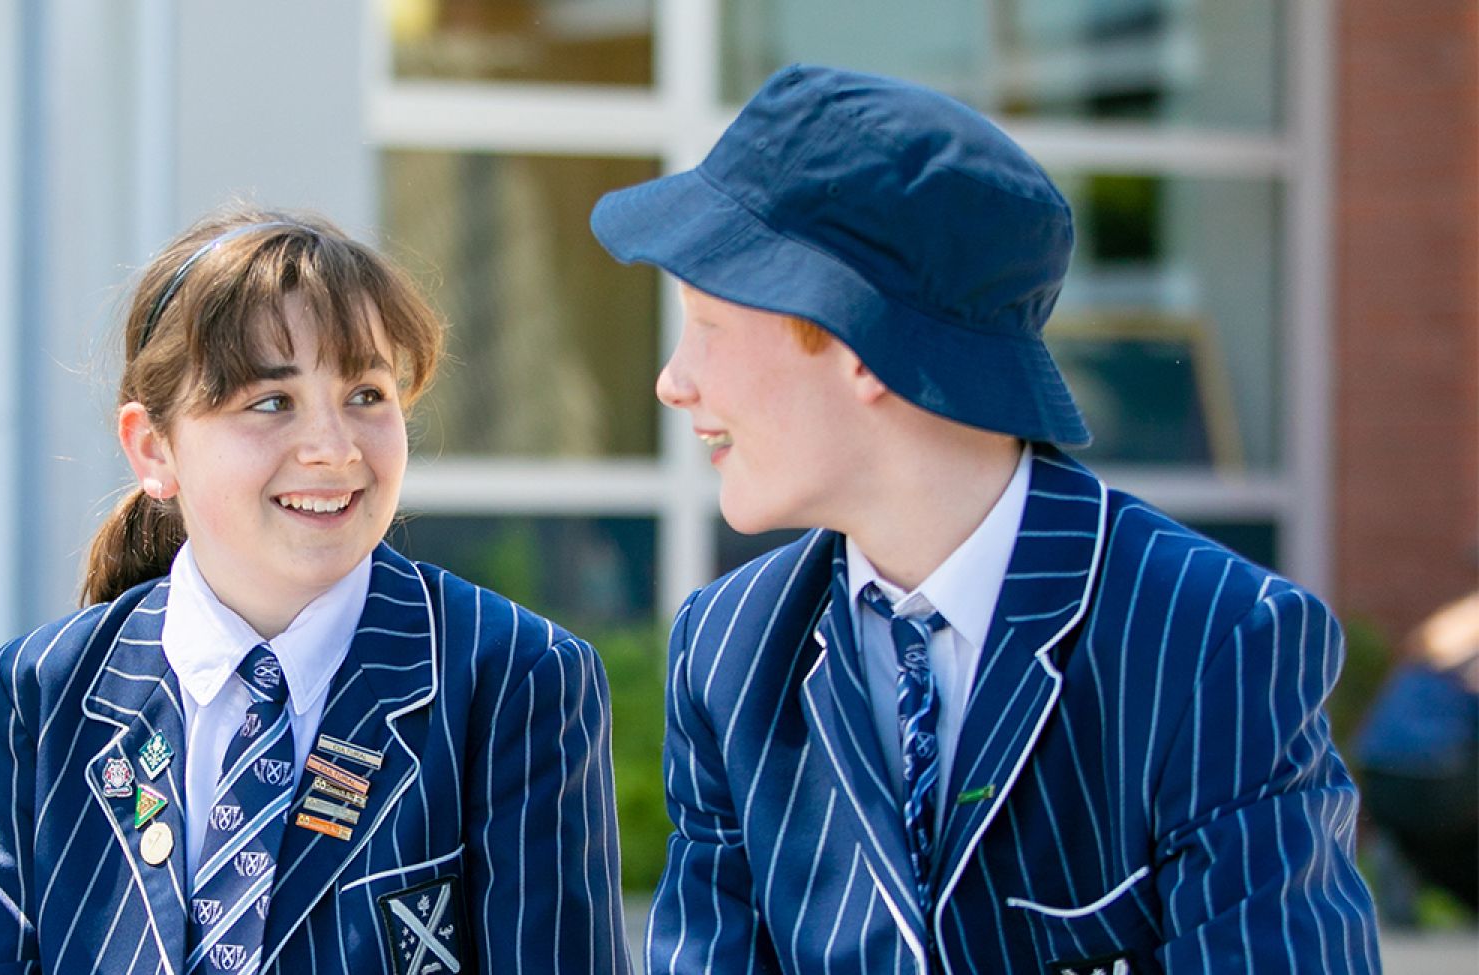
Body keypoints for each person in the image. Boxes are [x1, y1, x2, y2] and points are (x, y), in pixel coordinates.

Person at [591, 65, 1381, 973]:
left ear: (857, 337)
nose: (672, 380)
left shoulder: (1213, 641)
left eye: (708, 323)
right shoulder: (729, 649)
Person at [0, 209, 628, 974]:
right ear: (152, 447)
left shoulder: (510, 679)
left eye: (367, 394)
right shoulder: (40, 695)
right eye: (272, 403)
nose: (333, 448)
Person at [1356, 591, 1479, 911]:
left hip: (1378, 775)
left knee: (1429, 842)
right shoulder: (1470, 659)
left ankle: (1396, 876)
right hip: (1441, 779)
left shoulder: (1431, 653)